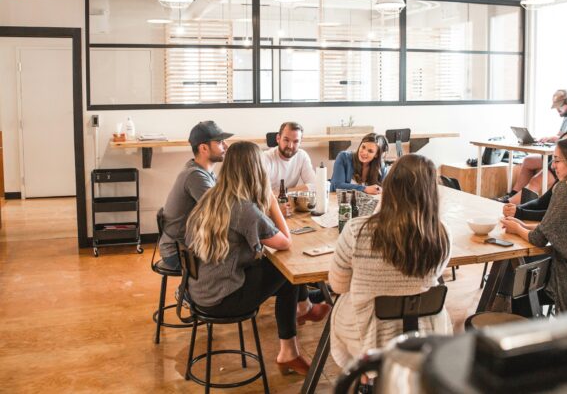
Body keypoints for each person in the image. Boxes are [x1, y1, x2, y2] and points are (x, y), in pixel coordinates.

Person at [185, 141, 329, 375]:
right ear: (256, 170)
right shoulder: (243, 209)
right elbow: (285, 241)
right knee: (285, 271)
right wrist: (272, 199)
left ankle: (301, 318)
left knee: (278, 271)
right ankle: (294, 335)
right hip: (223, 298)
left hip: (200, 289)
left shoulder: (213, 197)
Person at [329, 154, 452, 369]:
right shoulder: (441, 234)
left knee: (343, 303)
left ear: (389, 187)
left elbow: (338, 285)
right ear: (432, 192)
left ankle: (368, 374)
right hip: (425, 332)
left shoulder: (357, 230)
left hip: (369, 334)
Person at [501, 135, 567, 312]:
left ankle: (532, 337)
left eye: (557, 160)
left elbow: (538, 239)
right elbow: (557, 227)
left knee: (520, 290)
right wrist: (522, 225)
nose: (553, 166)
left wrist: (516, 228)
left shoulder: (565, 188)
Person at [158, 121, 232, 270]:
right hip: (179, 253)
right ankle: (192, 292)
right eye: (219, 142)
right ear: (204, 148)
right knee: (241, 260)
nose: (226, 146)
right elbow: (223, 211)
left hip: (189, 247)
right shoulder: (195, 176)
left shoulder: (204, 172)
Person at [502, 90, 567, 204]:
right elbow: (561, 135)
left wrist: (556, 139)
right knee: (528, 161)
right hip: (562, 155)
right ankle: (513, 194)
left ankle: (513, 204)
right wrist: (549, 138)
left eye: (560, 107)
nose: (557, 110)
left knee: (536, 180)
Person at [263, 122, 316, 192]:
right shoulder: (265, 158)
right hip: (270, 202)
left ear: (300, 142)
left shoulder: (302, 156)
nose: (290, 146)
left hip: (290, 200)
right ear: (278, 138)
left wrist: (285, 192)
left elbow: (314, 186)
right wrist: (297, 190)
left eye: (296, 141)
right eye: (286, 140)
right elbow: (262, 192)